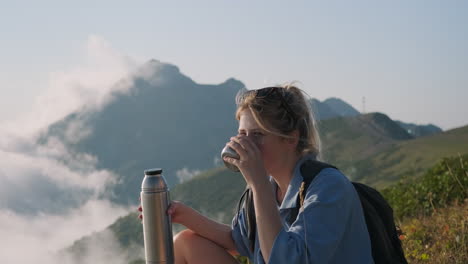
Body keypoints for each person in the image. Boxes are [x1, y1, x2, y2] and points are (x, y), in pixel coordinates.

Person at [141, 85, 374, 264]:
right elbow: (239, 241)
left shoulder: (328, 187)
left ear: (290, 139)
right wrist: (183, 215)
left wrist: (259, 185)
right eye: (242, 133)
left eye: (258, 135)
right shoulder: (267, 187)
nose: (245, 143)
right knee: (185, 243)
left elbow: (286, 261)